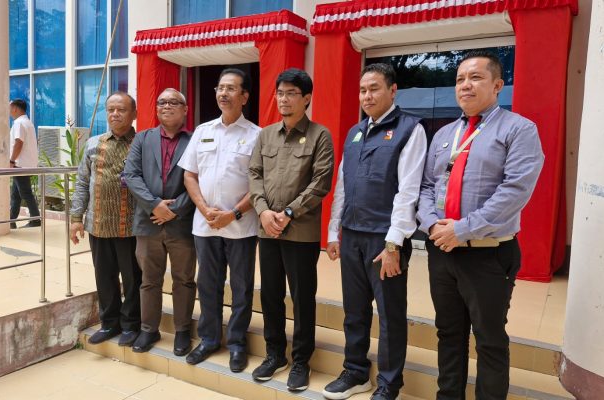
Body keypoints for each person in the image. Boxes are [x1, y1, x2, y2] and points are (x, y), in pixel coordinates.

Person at [417, 50, 544, 399]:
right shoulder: (445, 134)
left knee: (489, 339)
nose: (465, 85)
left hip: (487, 254)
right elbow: (427, 186)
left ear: (498, 85)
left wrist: (461, 230)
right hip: (442, 251)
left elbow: (514, 191)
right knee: (448, 333)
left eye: (475, 78)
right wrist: (432, 226)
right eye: (460, 79)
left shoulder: (519, 129)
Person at [322, 63, 427, 400]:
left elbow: (408, 191)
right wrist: (334, 231)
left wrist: (394, 243)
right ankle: (355, 372)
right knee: (354, 312)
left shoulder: (410, 129)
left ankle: (389, 384)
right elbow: (342, 185)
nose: (367, 96)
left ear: (393, 90)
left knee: (390, 316)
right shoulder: (356, 132)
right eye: (363, 90)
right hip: (352, 235)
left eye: (374, 89)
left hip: (385, 240)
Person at [248, 68, 334, 391]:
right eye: (280, 93)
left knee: (302, 298)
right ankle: (275, 354)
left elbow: (320, 182)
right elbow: (254, 174)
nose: (283, 99)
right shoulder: (265, 135)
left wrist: (287, 213)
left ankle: (300, 361)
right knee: (270, 295)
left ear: (306, 98)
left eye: (291, 94)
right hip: (267, 230)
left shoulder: (320, 135)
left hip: (300, 232)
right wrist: (263, 211)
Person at [178, 68, 261, 372]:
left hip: (240, 226)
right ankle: (209, 339)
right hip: (205, 225)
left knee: (241, 288)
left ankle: (237, 344)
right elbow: (189, 175)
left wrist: (233, 213)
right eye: (220, 88)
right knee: (208, 285)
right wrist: (203, 208)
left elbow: (260, 184)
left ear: (245, 96)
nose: (223, 93)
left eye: (231, 88)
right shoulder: (203, 130)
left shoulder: (256, 135)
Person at [124, 88, 196, 356]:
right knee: (149, 279)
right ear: (156, 109)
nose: (167, 106)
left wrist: (174, 209)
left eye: (174, 102)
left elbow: (200, 179)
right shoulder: (143, 138)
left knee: (184, 279)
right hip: (148, 222)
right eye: (162, 102)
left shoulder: (195, 140)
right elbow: (131, 175)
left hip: (182, 223)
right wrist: (154, 204)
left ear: (185, 109)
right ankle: (148, 329)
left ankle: (183, 330)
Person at [70, 92, 142, 347]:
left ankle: (131, 325)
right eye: (111, 109)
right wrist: (76, 217)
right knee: (104, 277)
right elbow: (82, 182)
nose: (115, 114)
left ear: (134, 113)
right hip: (98, 224)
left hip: (131, 227)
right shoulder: (93, 143)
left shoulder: (142, 144)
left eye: (121, 109)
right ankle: (109, 323)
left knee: (133, 279)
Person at [8, 99, 41, 229]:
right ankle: (11, 220)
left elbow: (19, 142)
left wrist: (11, 160)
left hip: (20, 164)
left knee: (25, 193)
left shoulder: (19, 123)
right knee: (16, 194)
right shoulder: (28, 123)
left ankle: (36, 220)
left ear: (15, 108)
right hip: (27, 163)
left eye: (10, 108)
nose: (9, 111)